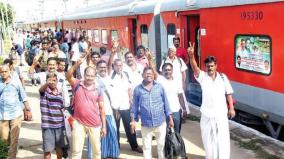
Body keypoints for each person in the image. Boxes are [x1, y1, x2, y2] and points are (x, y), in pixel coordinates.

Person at [187, 42, 236, 159]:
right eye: (208, 66)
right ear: (206, 67)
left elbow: (228, 93)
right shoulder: (203, 77)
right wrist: (191, 56)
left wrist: (232, 108)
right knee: (209, 142)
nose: (210, 68)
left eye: (212, 66)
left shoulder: (223, 78)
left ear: (216, 66)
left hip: (221, 115)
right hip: (207, 116)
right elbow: (195, 68)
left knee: (222, 141)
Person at [65, 52, 106, 159]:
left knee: (97, 152)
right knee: (76, 152)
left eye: (92, 76)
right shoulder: (77, 84)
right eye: (88, 75)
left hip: (95, 124)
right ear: (84, 75)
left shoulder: (98, 89)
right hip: (78, 123)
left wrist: (104, 127)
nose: (89, 78)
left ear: (95, 76)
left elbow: (102, 109)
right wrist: (76, 64)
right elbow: (68, 75)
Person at [130, 67, 174, 159]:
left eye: (151, 73)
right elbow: (134, 106)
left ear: (154, 76)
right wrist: (132, 121)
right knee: (146, 147)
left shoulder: (160, 87)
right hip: (146, 123)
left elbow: (166, 103)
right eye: (146, 73)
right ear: (142, 75)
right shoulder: (138, 89)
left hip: (160, 122)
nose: (149, 75)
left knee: (161, 146)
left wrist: (170, 119)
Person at [0, 64, 32, 159]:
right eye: (2, 72)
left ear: (9, 72)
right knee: (4, 139)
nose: (3, 74)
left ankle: (12, 157)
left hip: (15, 115)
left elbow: (23, 97)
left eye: (5, 71)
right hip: (2, 116)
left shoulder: (16, 83)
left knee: (14, 140)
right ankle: (5, 156)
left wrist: (28, 110)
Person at [39, 72, 67, 159]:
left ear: (57, 81)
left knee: (59, 148)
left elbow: (63, 108)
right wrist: (47, 83)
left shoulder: (60, 93)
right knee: (47, 150)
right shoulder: (44, 92)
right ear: (46, 81)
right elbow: (41, 90)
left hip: (60, 125)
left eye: (54, 80)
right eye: (50, 80)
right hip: (47, 126)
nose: (52, 82)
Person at [96, 60, 120, 159]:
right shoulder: (94, 80)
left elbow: (114, 95)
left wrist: (116, 109)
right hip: (97, 113)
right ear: (96, 68)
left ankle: (112, 154)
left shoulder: (110, 79)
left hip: (109, 111)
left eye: (104, 67)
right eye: (101, 67)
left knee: (112, 133)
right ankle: (101, 155)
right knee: (99, 135)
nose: (103, 69)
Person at [157, 63, 188, 133]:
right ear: (162, 71)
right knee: (164, 133)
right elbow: (153, 69)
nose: (167, 71)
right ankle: (166, 144)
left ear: (172, 71)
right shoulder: (159, 80)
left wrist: (184, 109)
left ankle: (176, 144)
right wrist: (149, 59)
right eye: (165, 70)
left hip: (175, 111)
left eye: (169, 70)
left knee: (177, 132)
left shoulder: (177, 82)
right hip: (163, 112)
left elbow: (180, 96)